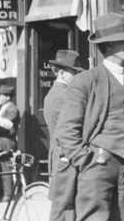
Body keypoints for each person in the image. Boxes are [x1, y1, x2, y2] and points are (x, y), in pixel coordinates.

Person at [55, 13, 124, 221]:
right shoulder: (85, 82)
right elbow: (66, 130)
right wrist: (85, 160)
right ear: (108, 46)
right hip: (97, 166)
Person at [44, 49, 84, 221]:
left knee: (64, 208)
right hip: (66, 157)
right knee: (65, 209)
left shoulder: (54, 94)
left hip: (59, 155)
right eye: (72, 72)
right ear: (61, 72)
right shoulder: (64, 95)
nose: (75, 76)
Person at [0, 84, 20, 202]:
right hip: (0, 142)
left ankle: (7, 194)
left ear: (8, 97)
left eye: (0, 96)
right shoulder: (4, 108)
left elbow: (5, 127)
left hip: (6, 142)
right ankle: (2, 193)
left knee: (5, 169)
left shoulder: (12, 109)